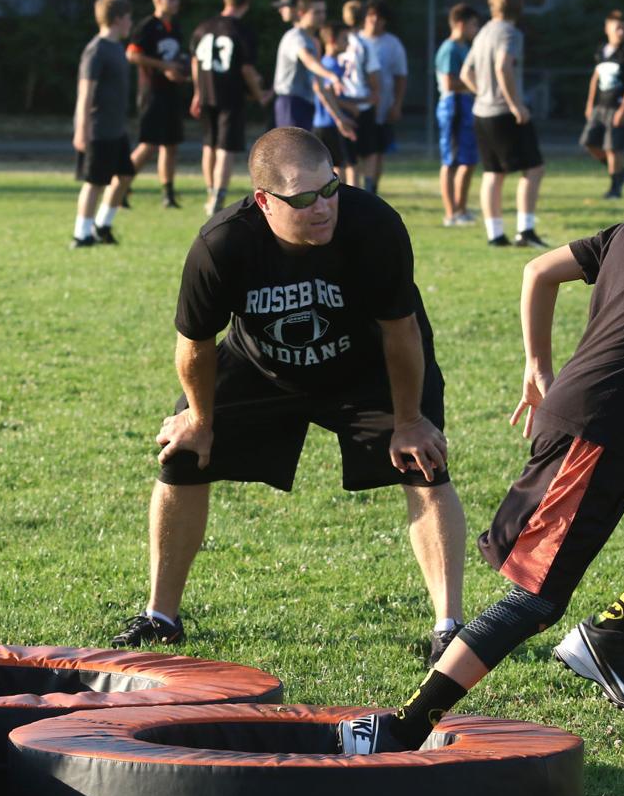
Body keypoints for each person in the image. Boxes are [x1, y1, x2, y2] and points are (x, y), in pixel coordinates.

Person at [338, 119, 624, 754]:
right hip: (596, 432)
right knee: (536, 599)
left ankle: (614, 632)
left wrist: (537, 365)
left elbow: (539, 271)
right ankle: (404, 725)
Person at [112, 127, 467, 668]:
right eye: (302, 199)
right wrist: (201, 419)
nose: (323, 208)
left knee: (423, 461)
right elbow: (194, 343)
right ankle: (161, 616)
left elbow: (400, 329)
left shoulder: (373, 224)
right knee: (182, 451)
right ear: (263, 201)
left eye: (330, 190)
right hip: (262, 367)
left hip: (368, 365)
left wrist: (411, 419)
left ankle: (450, 628)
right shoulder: (222, 243)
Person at [460, 0, 547, 248]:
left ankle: (495, 234)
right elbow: (503, 67)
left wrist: (483, 93)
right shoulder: (510, 32)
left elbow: (465, 73)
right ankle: (526, 230)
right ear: (519, 6)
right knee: (534, 168)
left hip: (482, 112)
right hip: (504, 112)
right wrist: (515, 104)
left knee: (493, 173)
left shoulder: (484, 31)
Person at [190, 0, 269, 217]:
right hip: (230, 94)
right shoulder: (241, 31)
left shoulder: (203, 27)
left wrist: (197, 91)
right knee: (225, 147)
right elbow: (246, 70)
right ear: (246, 2)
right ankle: (218, 196)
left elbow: (194, 60)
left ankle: (210, 192)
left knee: (209, 144)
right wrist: (259, 94)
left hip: (205, 93)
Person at [71, 0, 135, 248]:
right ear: (118, 19)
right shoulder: (96, 49)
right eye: (128, 18)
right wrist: (81, 130)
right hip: (97, 129)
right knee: (95, 183)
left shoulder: (117, 47)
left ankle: (102, 225)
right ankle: (81, 234)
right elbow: (85, 93)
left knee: (125, 176)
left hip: (116, 129)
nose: (130, 23)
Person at [127, 0, 189, 209]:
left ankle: (168, 193)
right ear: (159, 0)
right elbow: (132, 55)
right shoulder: (147, 26)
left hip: (171, 92)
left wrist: (182, 72)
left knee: (171, 145)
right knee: (149, 143)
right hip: (152, 91)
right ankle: (122, 185)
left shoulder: (175, 26)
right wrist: (164, 66)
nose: (176, 3)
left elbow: (178, 57)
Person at [581, 10, 624, 199]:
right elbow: (595, 78)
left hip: (616, 107)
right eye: (617, 28)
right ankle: (620, 172)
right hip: (600, 106)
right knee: (589, 143)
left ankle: (615, 188)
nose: (621, 32)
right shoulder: (602, 51)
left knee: (612, 148)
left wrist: (623, 109)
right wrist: (590, 104)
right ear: (607, 29)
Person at [272, 0, 350, 135]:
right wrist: (332, 75)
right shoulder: (295, 37)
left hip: (306, 104)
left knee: (304, 154)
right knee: (293, 154)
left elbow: (319, 86)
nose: (322, 16)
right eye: (317, 12)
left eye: (323, 12)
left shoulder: (313, 41)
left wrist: (339, 118)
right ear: (301, 13)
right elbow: (309, 61)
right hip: (290, 103)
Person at [434, 3, 481, 227]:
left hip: (466, 105)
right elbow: (449, 82)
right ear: (461, 23)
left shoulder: (464, 47)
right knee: (451, 161)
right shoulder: (450, 49)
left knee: (468, 160)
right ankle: (451, 213)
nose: (476, 29)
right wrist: (478, 83)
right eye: (473, 24)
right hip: (453, 106)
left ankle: (461, 209)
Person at [359, 0, 407, 195]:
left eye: (379, 17)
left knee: (377, 151)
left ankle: (371, 190)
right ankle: (354, 190)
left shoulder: (392, 44)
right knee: (356, 152)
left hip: (382, 107)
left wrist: (396, 104)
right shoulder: (355, 40)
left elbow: (400, 76)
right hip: (357, 106)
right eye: (371, 15)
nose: (374, 20)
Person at [338, 0, 382, 189]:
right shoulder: (364, 43)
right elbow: (373, 75)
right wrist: (375, 93)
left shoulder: (337, 40)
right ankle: (369, 192)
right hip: (362, 103)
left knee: (347, 158)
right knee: (369, 153)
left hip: (342, 102)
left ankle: (343, 195)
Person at [312, 23, 354, 177]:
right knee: (338, 168)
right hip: (329, 124)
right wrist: (343, 115)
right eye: (344, 39)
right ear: (331, 40)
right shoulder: (329, 65)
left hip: (324, 123)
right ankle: (338, 199)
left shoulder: (329, 64)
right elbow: (327, 93)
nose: (348, 43)